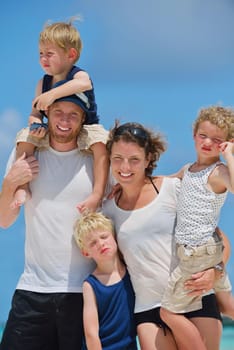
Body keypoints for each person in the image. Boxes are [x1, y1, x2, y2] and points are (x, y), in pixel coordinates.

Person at [102, 121, 230, 350]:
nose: (125, 167)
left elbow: (219, 237)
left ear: (148, 159)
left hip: (195, 296)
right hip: (147, 308)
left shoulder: (172, 189)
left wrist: (216, 271)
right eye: (117, 158)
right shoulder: (108, 209)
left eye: (134, 159)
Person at [0, 88, 104, 349]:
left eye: (73, 115)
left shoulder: (96, 162)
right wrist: (11, 182)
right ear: (47, 114)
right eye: (58, 113)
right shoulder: (28, 155)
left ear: (83, 120)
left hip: (85, 292)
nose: (65, 121)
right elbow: (4, 219)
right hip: (33, 288)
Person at [13, 19, 109, 212]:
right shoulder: (43, 83)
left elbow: (84, 85)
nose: (43, 59)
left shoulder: (78, 75)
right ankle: (22, 187)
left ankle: (97, 193)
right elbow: (35, 113)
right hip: (55, 126)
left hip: (86, 127)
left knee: (102, 143)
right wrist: (36, 124)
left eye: (50, 54)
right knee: (24, 136)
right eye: (41, 54)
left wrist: (52, 95)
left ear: (71, 55)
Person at [159, 106, 234, 347]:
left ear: (225, 144)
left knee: (167, 313)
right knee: (228, 305)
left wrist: (230, 154)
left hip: (197, 252)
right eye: (203, 135)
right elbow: (164, 181)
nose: (208, 142)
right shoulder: (188, 170)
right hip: (206, 250)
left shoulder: (219, 171)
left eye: (217, 140)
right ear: (194, 134)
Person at [73, 211, 137, 350]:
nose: (101, 244)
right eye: (93, 243)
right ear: (86, 253)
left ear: (114, 236)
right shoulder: (91, 285)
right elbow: (91, 333)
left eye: (104, 236)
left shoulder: (131, 271)